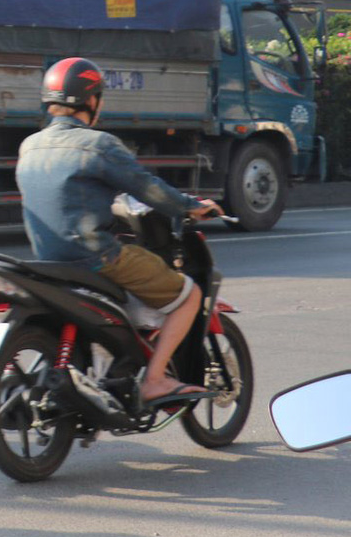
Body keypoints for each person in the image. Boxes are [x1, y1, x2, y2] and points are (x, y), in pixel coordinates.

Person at [16, 56, 221, 405]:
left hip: (48, 262)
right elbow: (147, 188)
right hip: (95, 258)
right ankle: (154, 380)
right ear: (92, 100)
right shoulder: (98, 144)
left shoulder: (29, 145)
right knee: (189, 297)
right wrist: (190, 206)